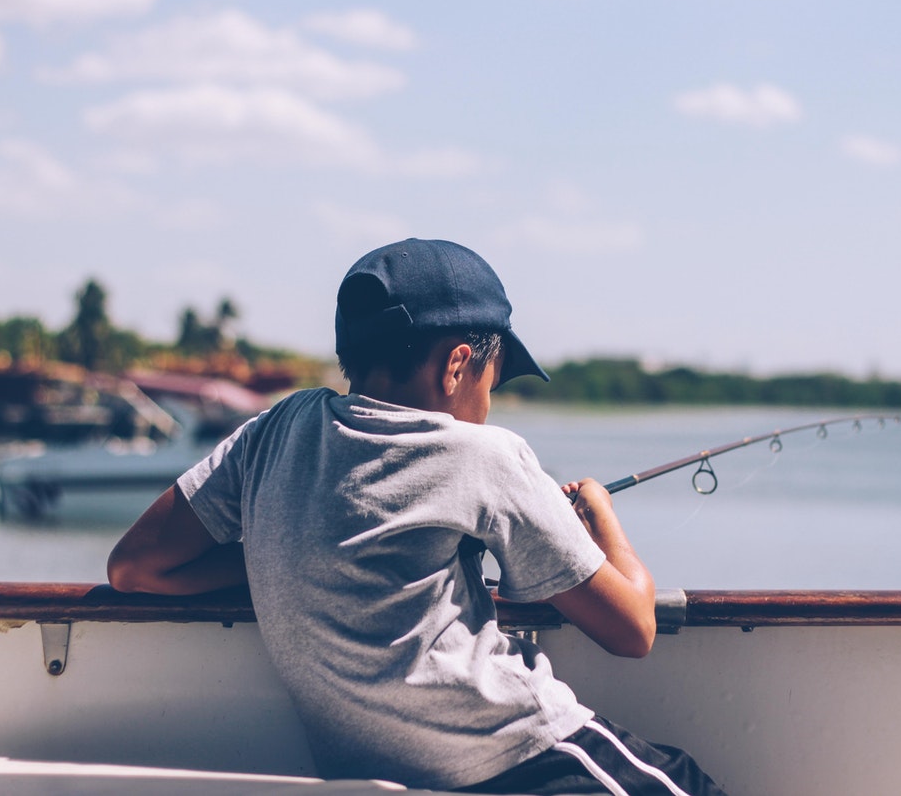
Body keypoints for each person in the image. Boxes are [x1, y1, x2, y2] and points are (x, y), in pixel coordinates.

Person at [107, 238, 729, 796]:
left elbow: (135, 568)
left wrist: (293, 562)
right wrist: (600, 514)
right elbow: (633, 630)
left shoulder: (276, 429)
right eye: (492, 377)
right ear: (457, 364)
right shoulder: (485, 456)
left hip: (380, 775)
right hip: (524, 757)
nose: (488, 401)